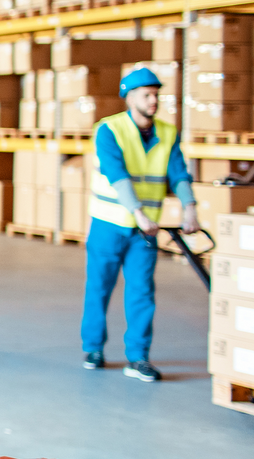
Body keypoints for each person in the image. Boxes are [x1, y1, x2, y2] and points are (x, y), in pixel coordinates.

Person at [81, 68, 198, 382]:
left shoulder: (168, 132)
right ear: (129, 97)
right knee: (99, 288)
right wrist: (140, 213)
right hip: (109, 224)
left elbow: (179, 173)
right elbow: (116, 174)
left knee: (142, 293)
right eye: (147, 94)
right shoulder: (109, 130)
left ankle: (138, 357)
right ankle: (93, 348)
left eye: (156, 94)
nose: (154, 100)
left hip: (143, 232)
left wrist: (190, 208)